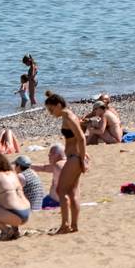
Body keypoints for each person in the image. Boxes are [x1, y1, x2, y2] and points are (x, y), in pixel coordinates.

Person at [44, 93, 87, 234]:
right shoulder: (67, 116)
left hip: (75, 157)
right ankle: (73, 225)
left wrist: (82, 158)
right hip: (75, 157)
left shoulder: (68, 116)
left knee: (61, 190)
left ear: (58, 105)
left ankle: (65, 225)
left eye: (51, 109)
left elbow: (81, 137)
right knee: (72, 192)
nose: (50, 113)